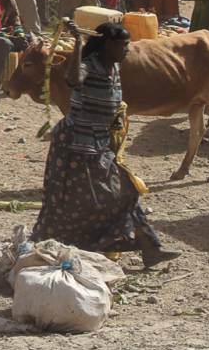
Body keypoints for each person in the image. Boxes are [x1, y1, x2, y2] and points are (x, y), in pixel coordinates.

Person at [29, 21, 180, 268]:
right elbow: (73, 79)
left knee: (123, 194)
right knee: (89, 199)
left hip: (98, 144)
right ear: (106, 45)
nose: (127, 50)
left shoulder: (113, 68)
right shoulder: (90, 65)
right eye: (122, 45)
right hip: (76, 145)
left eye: (127, 45)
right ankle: (70, 249)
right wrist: (79, 43)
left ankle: (149, 248)